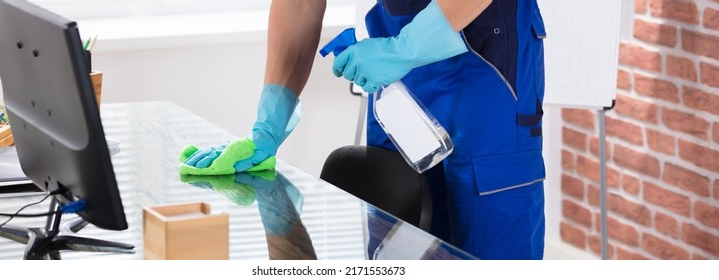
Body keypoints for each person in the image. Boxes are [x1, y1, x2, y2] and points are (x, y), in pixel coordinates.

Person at [184, 0, 547, 260]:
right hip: (398, 77)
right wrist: (269, 123)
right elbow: (299, 5)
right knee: (399, 238)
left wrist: (405, 50)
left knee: (490, 242)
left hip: (486, 64)